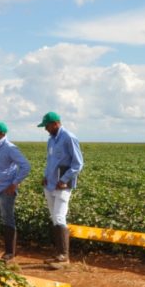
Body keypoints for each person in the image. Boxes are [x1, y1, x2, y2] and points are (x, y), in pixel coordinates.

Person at [38, 111, 84, 269]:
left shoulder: (69, 138)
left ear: (56, 123)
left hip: (63, 186)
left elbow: (78, 164)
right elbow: (50, 161)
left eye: (47, 126)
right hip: (50, 184)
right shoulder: (51, 140)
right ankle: (59, 254)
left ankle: (64, 256)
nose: (45, 129)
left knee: (59, 216)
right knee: (54, 218)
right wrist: (45, 176)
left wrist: (64, 180)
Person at [0, 121, 31, 261]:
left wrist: (15, 183)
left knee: (7, 220)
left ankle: (10, 253)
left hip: (6, 190)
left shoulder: (11, 148)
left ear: (2, 134)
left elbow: (25, 166)